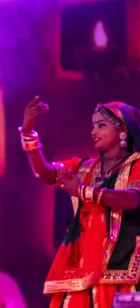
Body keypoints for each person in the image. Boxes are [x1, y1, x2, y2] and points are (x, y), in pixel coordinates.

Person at [21, 97, 140, 308]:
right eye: (93, 125)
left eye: (101, 125)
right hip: (81, 273)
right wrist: (29, 133)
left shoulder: (136, 164)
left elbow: (132, 199)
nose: (93, 132)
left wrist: (85, 192)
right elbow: (45, 173)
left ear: (123, 130)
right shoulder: (84, 167)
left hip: (122, 272)